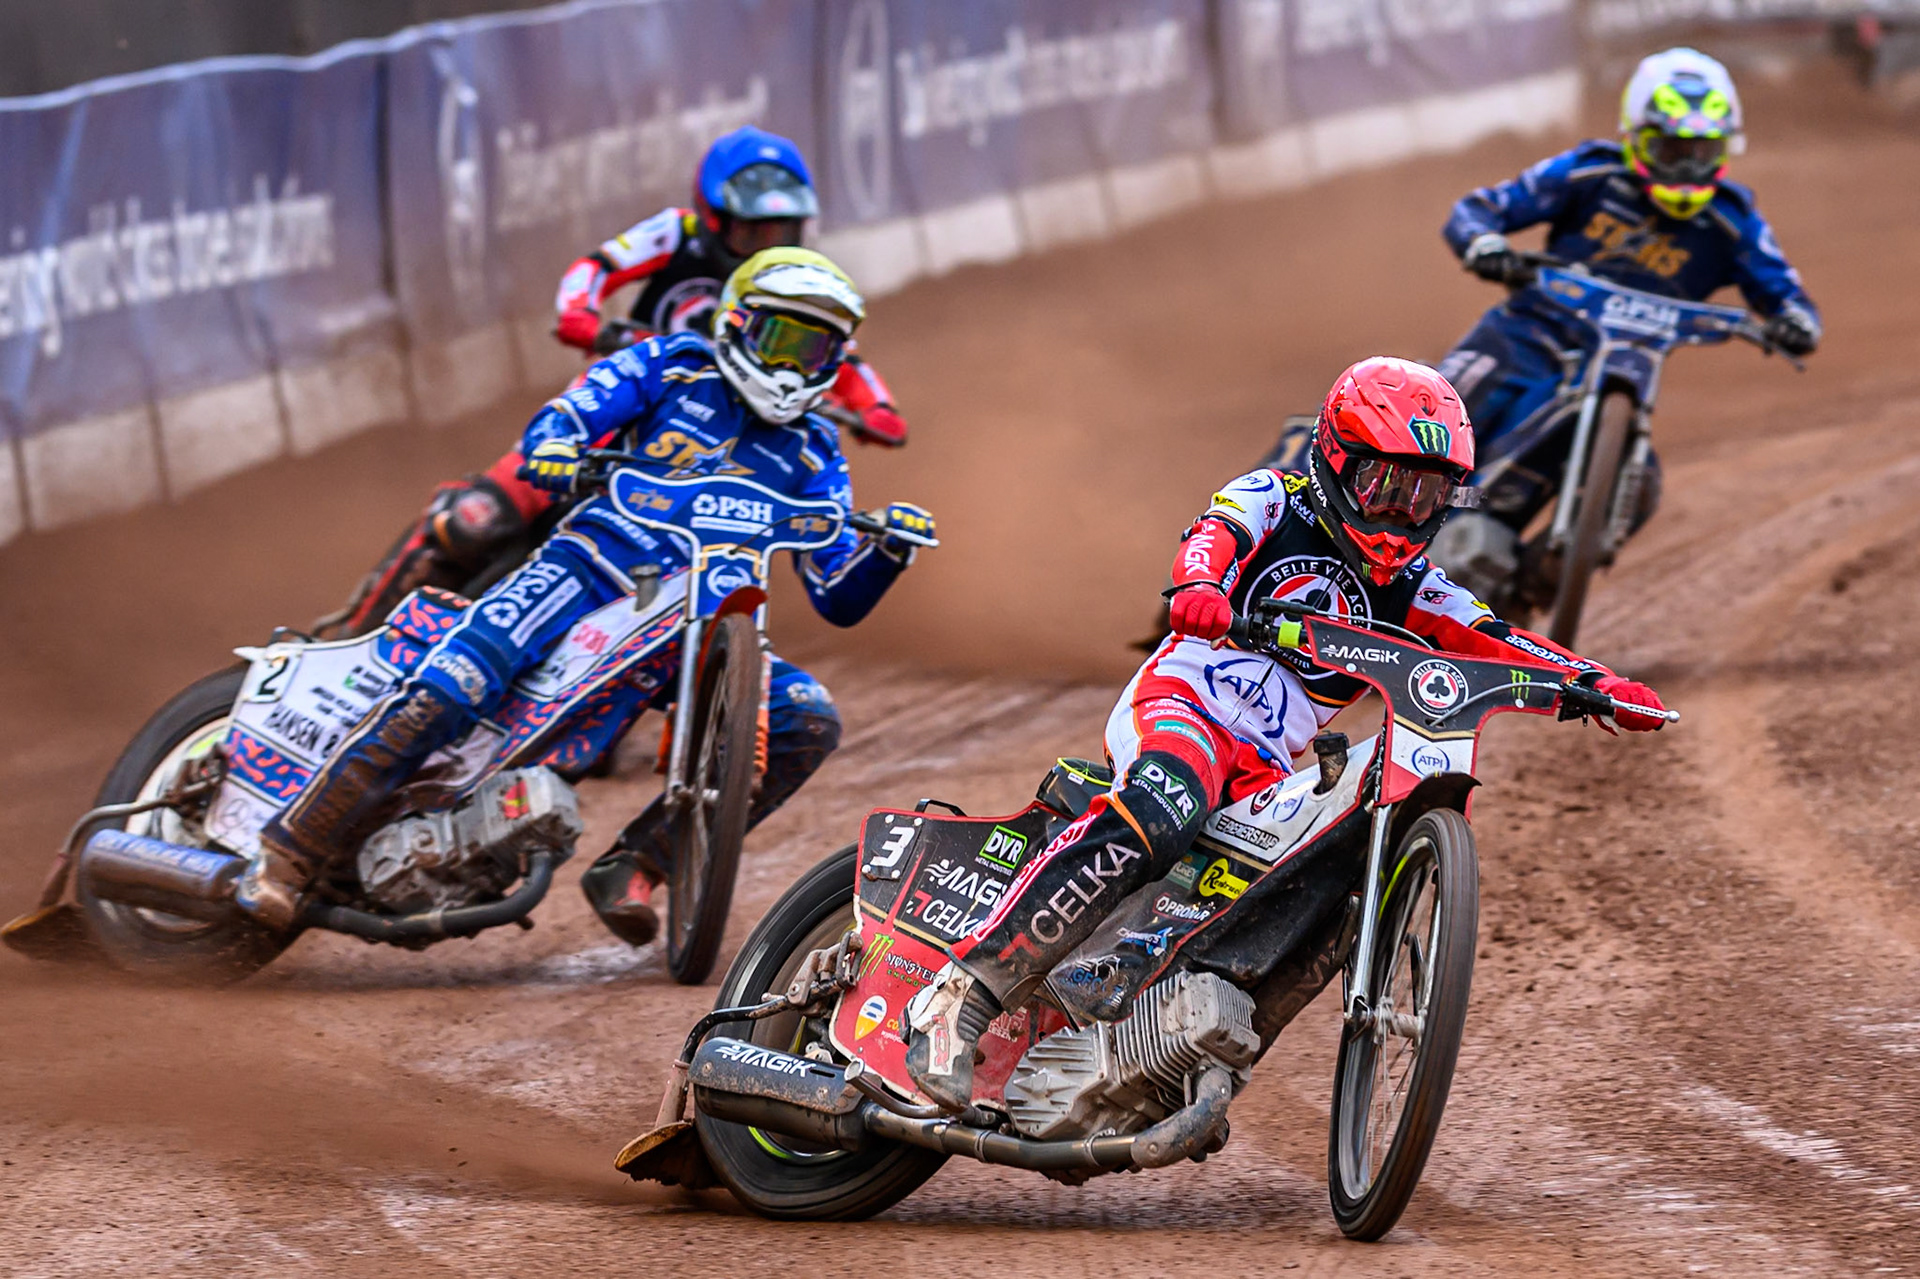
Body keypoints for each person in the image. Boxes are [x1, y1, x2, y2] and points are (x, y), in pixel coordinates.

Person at [903, 357, 1666, 1109]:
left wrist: (1596, 684)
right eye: (1385, 485)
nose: (1402, 513)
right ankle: (961, 994)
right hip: (1182, 705)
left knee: (1324, 870)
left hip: (1263, 765)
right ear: (1337, 460)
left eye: (1425, 495)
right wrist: (1202, 585)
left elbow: (1496, 638)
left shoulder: (1415, 587)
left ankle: (1152, 1036)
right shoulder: (1273, 498)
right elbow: (1214, 534)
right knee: (1167, 802)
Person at [238, 249, 936, 943]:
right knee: (454, 682)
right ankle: (289, 848)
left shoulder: (816, 451)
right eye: (780, 339)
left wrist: (890, 553)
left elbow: (838, 594)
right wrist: (558, 444)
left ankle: (638, 864)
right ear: (738, 323)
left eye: (813, 348)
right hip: (586, 573)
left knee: (807, 717)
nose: (789, 366)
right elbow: (569, 414)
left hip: (699, 626)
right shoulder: (667, 365)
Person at [325, 126, 908, 638]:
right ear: (713, 215)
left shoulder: (795, 288)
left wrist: (876, 408)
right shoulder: (675, 234)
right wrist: (581, 313)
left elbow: (843, 358)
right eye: (753, 229)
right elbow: (596, 267)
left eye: (782, 227)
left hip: (686, 460)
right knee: (475, 519)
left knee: (672, 579)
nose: (768, 241)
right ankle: (349, 633)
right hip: (613, 416)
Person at [1430, 47, 1819, 594]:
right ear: (1636, 138)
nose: (1686, 169)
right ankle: (1316, 496)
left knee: (1639, 488)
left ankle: (1523, 590)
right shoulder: (1589, 172)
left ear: (1725, 149)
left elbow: (1787, 294)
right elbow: (1480, 208)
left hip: (1623, 373)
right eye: (1671, 150)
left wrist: (1793, 321)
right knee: (1436, 409)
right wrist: (1486, 244)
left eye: (1701, 153)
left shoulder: (1733, 221)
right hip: (1527, 335)